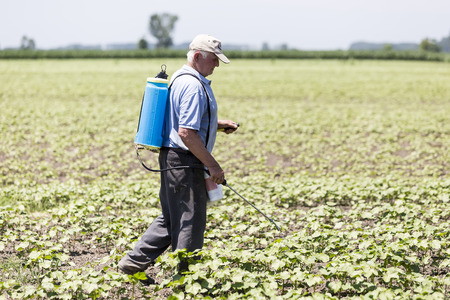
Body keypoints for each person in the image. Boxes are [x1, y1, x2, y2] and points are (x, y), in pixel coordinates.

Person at [118, 34, 238, 282]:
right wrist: (212, 164)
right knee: (190, 222)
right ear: (197, 57)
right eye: (214, 60)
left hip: (172, 158)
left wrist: (214, 124)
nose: (216, 65)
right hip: (185, 160)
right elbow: (185, 132)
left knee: (172, 217)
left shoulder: (180, 78)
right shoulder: (193, 86)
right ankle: (186, 282)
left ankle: (132, 263)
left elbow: (181, 122)